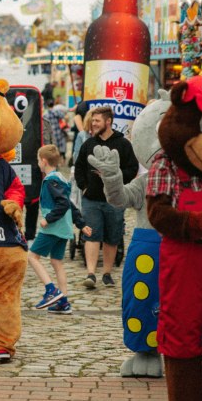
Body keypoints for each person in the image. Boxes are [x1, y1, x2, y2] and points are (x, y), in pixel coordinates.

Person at [73, 106, 137, 288]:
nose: (93, 124)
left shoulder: (123, 144)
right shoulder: (88, 144)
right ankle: (91, 274)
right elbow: (78, 167)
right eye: (92, 120)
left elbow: (132, 169)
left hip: (115, 200)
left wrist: (114, 176)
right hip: (91, 199)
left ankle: (107, 273)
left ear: (108, 122)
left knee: (112, 237)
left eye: (97, 121)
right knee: (92, 236)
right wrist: (84, 187)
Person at [28, 145, 92, 315]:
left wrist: (47, 219)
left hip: (52, 228)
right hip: (64, 229)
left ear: (43, 161)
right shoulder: (61, 178)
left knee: (32, 257)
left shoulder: (51, 180)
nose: (37, 163)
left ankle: (51, 291)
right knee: (57, 262)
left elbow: (63, 204)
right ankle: (63, 302)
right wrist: (80, 223)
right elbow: (69, 203)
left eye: (38, 160)